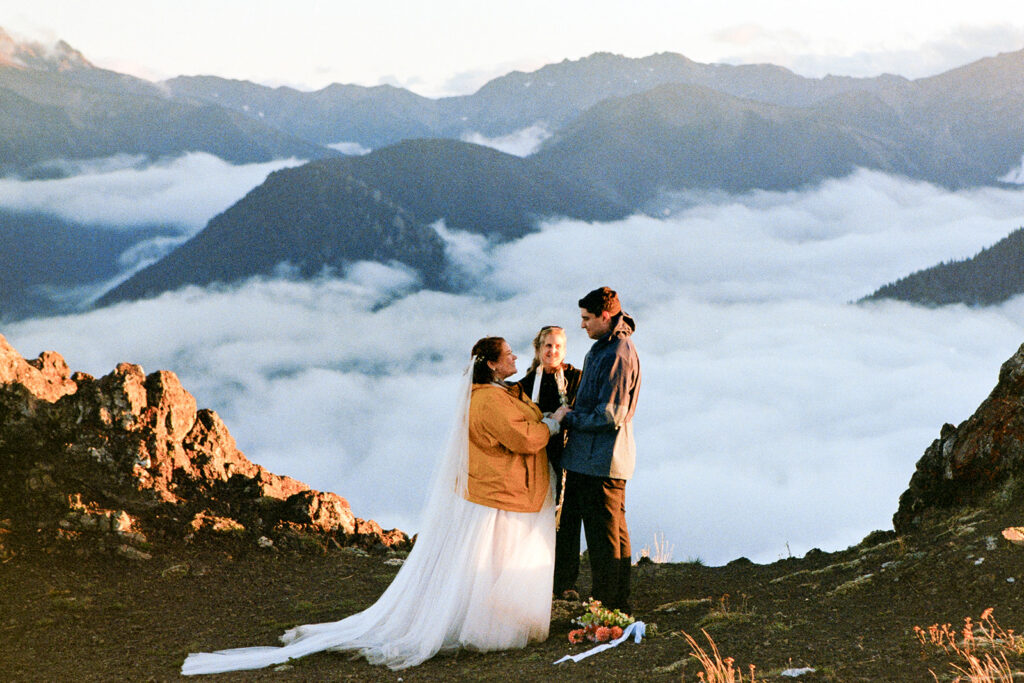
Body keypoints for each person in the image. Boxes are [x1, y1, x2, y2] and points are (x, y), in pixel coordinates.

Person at [181, 337, 566, 675]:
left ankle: (482, 619)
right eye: (510, 354)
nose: (516, 358)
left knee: (483, 560)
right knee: (486, 558)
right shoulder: (489, 401)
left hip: (495, 488)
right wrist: (552, 423)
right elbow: (522, 438)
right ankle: (484, 624)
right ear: (493, 363)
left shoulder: (491, 394)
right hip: (497, 491)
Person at [558, 287, 641, 613]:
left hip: (601, 460)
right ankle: (614, 602)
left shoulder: (617, 353)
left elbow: (612, 414)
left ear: (605, 316)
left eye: (586, 318)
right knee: (611, 532)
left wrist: (569, 418)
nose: (582, 325)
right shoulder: (605, 348)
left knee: (604, 538)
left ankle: (610, 606)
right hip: (594, 459)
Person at [514, 326, 583, 599]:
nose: (552, 351)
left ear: (564, 350)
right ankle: (533, 578)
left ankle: (566, 582)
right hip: (537, 458)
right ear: (538, 349)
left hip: (571, 457)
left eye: (557, 347)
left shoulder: (578, 379)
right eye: (547, 346)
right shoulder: (524, 384)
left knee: (568, 519)